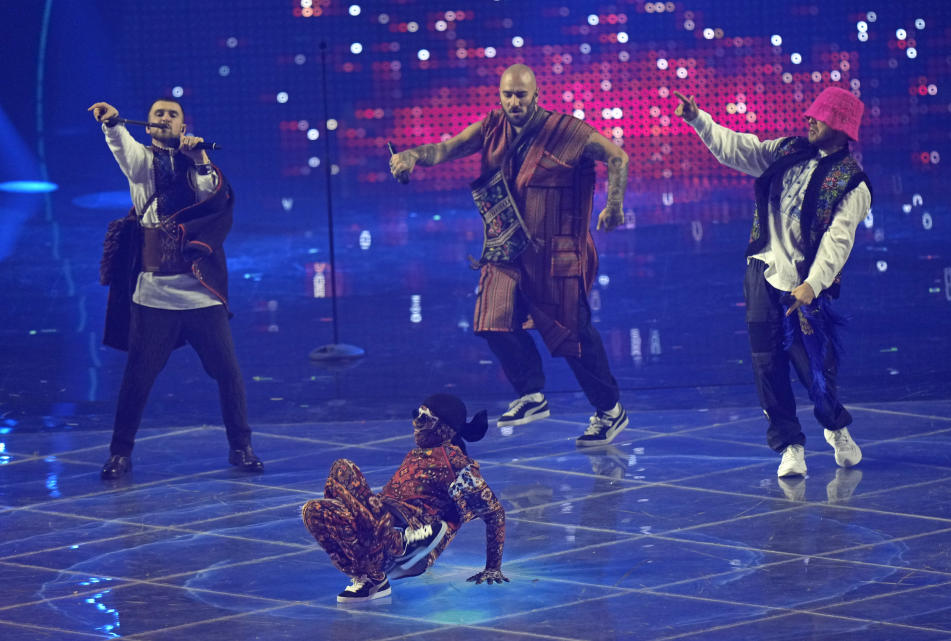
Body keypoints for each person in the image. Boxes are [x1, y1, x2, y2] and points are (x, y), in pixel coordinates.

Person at [389, 64, 630, 446]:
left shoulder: (565, 131)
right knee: (491, 320)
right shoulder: (491, 128)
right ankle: (531, 394)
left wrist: (614, 206)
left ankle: (610, 410)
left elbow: (617, 157)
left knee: (573, 336)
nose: (514, 102)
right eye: (507, 94)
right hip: (505, 249)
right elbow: (446, 149)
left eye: (521, 94)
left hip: (556, 253)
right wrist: (412, 155)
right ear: (499, 95)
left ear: (536, 95)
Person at [674, 86, 871, 477]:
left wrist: (812, 285)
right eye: (811, 113)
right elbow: (739, 148)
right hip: (761, 273)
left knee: (813, 368)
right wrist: (700, 120)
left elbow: (838, 241)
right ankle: (790, 444)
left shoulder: (853, 183)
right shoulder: (787, 150)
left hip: (802, 286)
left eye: (820, 116)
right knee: (766, 365)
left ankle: (835, 426)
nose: (809, 119)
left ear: (841, 126)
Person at [89, 98, 263, 479]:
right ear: (148, 126)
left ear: (183, 127)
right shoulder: (141, 165)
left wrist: (199, 158)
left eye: (172, 115)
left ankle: (241, 447)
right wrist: (112, 125)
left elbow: (212, 197)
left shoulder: (200, 166)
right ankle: (120, 453)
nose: (164, 119)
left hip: (200, 294)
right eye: (157, 115)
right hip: (154, 296)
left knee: (228, 373)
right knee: (137, 376)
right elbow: (123, 147)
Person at [301, 394, 507, 603]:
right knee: (313, 510)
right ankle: (371, 577)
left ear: (444, 428)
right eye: (415, 415)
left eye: (423, 419)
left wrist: (493, 568)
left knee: (345, 468)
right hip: (380, 524)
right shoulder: (416, 454)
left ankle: (400, 544)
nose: (415, 424)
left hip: (409, 533)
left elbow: (495, 512)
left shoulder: (455, 462)